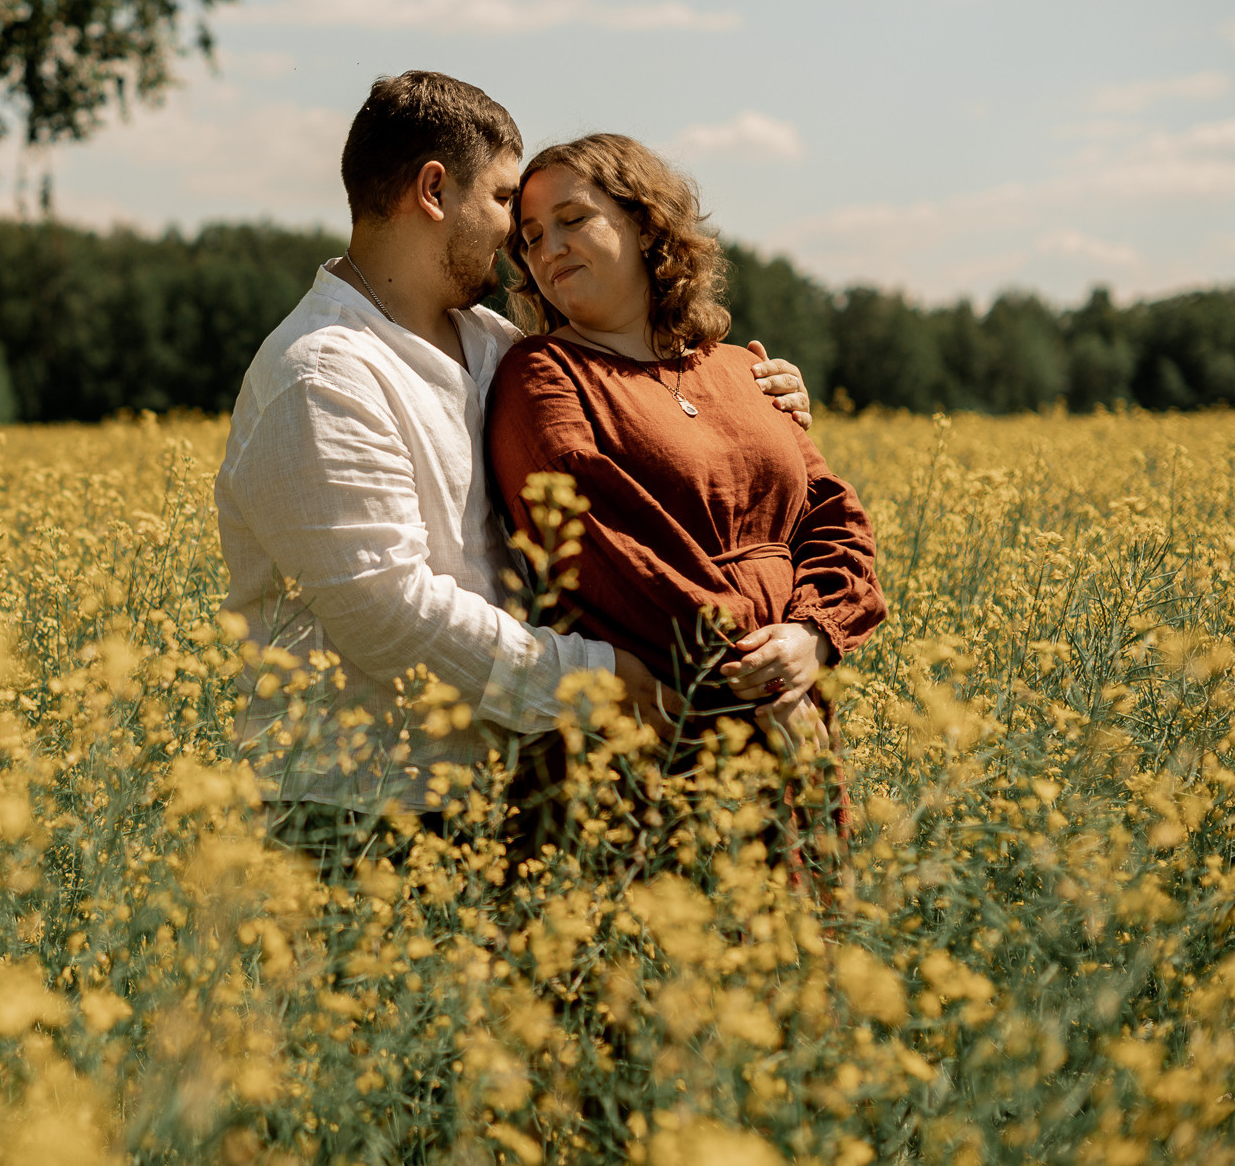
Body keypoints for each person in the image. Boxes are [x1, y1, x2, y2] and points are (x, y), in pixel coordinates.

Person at [213, 75, 818, 871]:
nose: (517, 238)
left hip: (499, 799)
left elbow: (643, 406)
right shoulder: (322, 372)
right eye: (505, 201)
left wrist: (758, 398)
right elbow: (390, 610)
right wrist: (601, 678)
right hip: (359, 810)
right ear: (435, 190)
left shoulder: (492, 344)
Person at [484, 132, 888, 861]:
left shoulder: (745, 368)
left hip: (793, 717)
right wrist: (761, 680)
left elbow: (831, 515)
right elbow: (606, 544)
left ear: (644, 223)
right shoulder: (542, 374)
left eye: (574, 219)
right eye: (532, 236)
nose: (548, 248)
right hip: (667, 729)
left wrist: (811, 637)